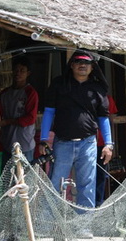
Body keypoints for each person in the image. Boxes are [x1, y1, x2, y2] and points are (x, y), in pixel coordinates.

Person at [38, 52, 113, 209]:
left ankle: (83, 227)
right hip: (62, 142)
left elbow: (103, 118)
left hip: (88, 144)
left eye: (86, 63)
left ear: (92, 67)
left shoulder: (98, 89)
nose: (82, 65)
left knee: (87, 185)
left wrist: (108, 144)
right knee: (56, 183)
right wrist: (43, 139)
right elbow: (49, 111)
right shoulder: (59, 84)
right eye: (78, 61)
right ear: (71, 65)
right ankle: (49, 225)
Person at [0, 58, 38, 169]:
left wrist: (8, 121)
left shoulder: (30, 93)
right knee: (7, 177)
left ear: (28, 73)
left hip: (24, 141)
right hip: (7, 141)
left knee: (25, 178)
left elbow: (30, 118)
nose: (18, 73)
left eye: (22, 70)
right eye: (16, 70)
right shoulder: (4, 93)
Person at [95, 94, 117, 207]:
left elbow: (111, 121)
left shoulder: (107, 98)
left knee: (101, 174)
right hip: (85, 143)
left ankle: (98, 202)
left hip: (103, 144)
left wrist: (110, 144)